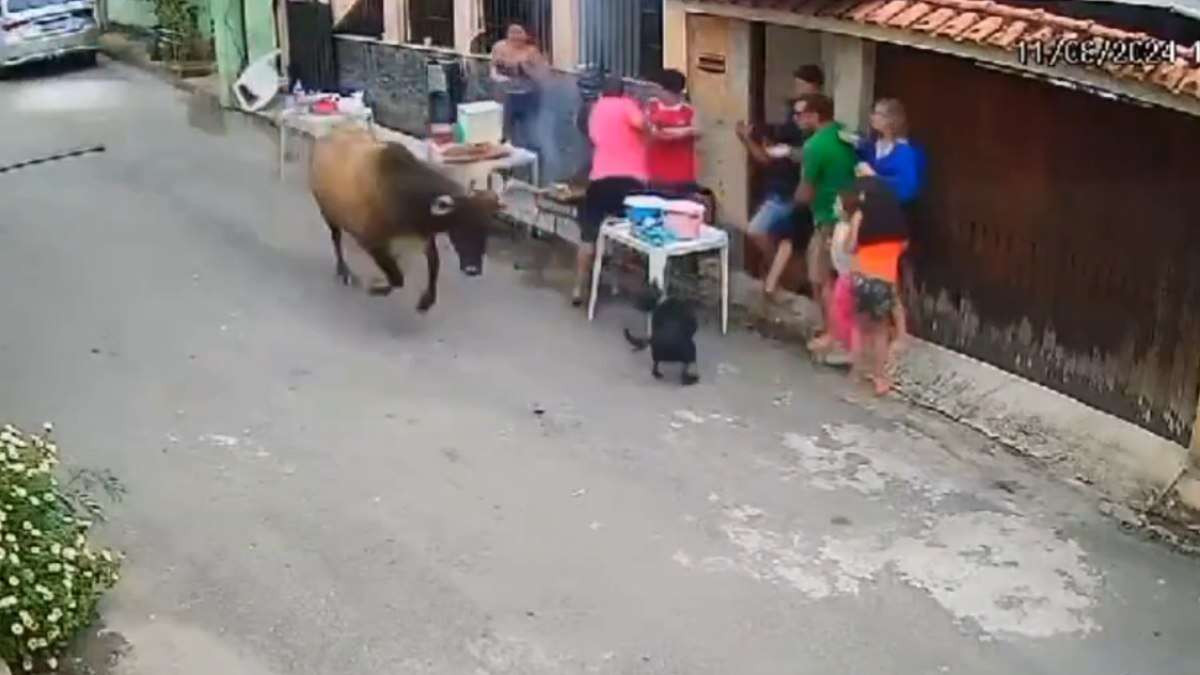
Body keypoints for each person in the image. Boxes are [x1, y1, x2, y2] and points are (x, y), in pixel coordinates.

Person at [787, 94, 858, 354]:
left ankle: (833, 335)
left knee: (820, 278)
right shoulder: (844, 134)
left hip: (826, 218)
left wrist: (793, 203)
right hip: (849, 214)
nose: (796, 119)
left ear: (815, 116)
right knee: (843, 277)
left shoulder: (814, 146)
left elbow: (805, 192)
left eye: (800, 114)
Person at [574, 75, 649, 306]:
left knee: (589, 235)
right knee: (636, 234)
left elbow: (590, 135)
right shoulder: (627, 105)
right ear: (623, 91)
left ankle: (579, 288)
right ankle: (639, 290)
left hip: (600, 179)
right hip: (631, 181)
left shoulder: (595, 109)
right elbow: (643, 125)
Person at [847, 176, 910, 396]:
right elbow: (903, 247)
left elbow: (851, 246)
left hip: (862, 278)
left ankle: (857, 369)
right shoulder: (896, 223)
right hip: (884, 281)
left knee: (860, 327)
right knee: (880, 331)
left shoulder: (860, 216)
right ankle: (880, 378)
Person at [853, 99, 924, 220]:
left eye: (877, 113)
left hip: (893, 216)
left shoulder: (906, 152)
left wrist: (873, 176)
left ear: (891, 120)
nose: (872, 117)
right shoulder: (874, 144)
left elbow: (907, 188)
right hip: (870, 211)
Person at [490, 24, 548, 151]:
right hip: (505, 97)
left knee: (530, 135)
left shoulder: (532, 52)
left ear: (526, 35)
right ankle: (505, 165)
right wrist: (499, 79)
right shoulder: (499, 48)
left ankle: (532, 164)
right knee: (502, 135)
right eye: (512, 32)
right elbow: (493, 71)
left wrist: (526, 68)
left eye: (519, 32)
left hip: (528, 98)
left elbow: (542, 76)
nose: (515, 36)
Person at [645, 69, 701, 199]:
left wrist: (668, 132)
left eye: (658, 88)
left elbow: (698, 131)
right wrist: (683, 131)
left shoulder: (688, 111)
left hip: (683, 177)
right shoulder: (650, 107)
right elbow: (652, 133)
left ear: (668, 90)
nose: (656, 92)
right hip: (656, 176)